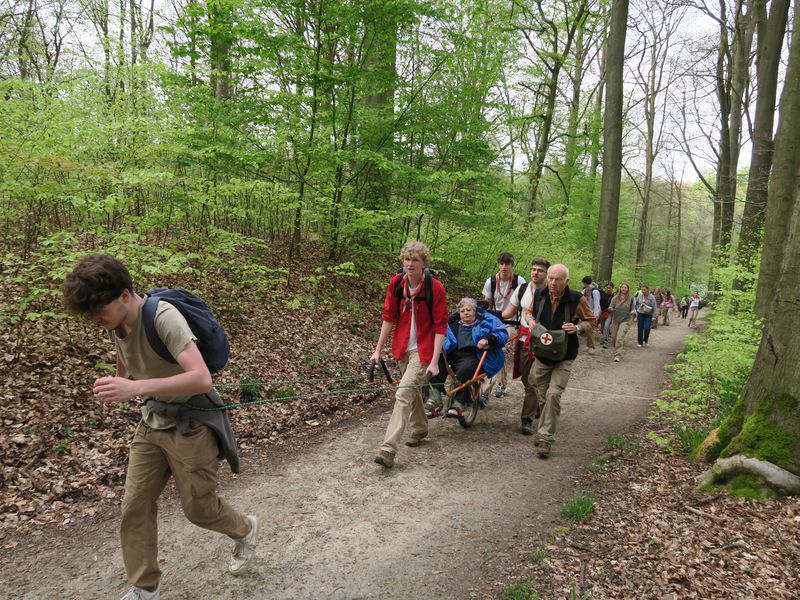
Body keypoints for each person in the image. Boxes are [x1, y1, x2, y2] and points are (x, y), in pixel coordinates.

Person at [62, 255, 257, 600]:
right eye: (89, 314)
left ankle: (245, 528)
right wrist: (119, 381)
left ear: (124, 296)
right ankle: (144, 585)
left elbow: (201, 378)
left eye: (98, 311)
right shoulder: (113, 320)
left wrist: (135, 388)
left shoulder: (165, 317)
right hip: (152, 421)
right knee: (134, 505)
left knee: (199, 510)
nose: (94, 319)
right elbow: (124, 346)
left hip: (192, 425)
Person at [371, 241, 448, 469]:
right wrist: (377, 350)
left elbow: (441, 327)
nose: (410, 263)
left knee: (403, 393)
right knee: (412, 392)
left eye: (415, 259)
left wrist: (434, 360)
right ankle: (421, 428)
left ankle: (388, 449)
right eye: (407, 259)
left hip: (423, 351)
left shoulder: (435, 289)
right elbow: (388, 317)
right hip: (402, 347)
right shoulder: (397, 284)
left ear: (424, 263)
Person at [525, 264, 594, 458]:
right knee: (542, 395)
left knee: (554, 394)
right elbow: (528, 312)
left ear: (567, 281)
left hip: (564, 356)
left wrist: (578, 328)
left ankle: (546, 438)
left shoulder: (576, 299)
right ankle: (543, 427)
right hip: (542, 355)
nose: (553, 283)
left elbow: (591, 321)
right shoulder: (539, 294)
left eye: (558, 280)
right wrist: (530, 321)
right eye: (551, 278)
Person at [502, 257, 550, 435]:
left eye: (540, 270)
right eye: (533, 269)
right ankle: (536, 404)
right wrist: (487, 316)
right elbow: (509, 312)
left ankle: (526, 420)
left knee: (532, 381)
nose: (535, 272)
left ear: (547, 274)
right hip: (523, 340)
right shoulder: (522, 289)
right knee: (524, 378)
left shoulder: (551, 292)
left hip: (543, 341)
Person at [442, 298, 508, 417]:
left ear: (475, 311)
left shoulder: (486, 320)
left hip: (474, 354)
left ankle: (460, 403)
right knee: (437, 363)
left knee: (465, 370)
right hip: (454, 353)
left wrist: (488, 339)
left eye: (469, 310)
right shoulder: (453, 322)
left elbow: (502, 334)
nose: (466, 313)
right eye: (462, 311)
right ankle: (432, 397)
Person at [480, 252, 525, 403]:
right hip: (495, 322)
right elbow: (487, 303)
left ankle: (488, 390)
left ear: (513, 265)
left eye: (508, 264)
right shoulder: (491, 281)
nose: (504, 267)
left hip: (512, 323)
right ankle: (499, 383)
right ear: (498, 264)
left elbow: (525, 306)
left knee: (499, 348)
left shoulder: (519, 281)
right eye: (502, 263)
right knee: (489, 350)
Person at [608, 282, 635, 362]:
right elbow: (610, 306)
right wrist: (610, 309)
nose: (623, 289)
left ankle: (617, 355)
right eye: (622, 287)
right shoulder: (615, 298)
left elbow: (634, 308)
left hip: (626, 320)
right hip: (615, 320)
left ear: (628, 289)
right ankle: (617, 351)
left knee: (619, 338)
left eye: (625, 287)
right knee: (614, 338)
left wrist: (633, 312)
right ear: (620, 288)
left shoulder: (631, 299)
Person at [580, 276, 601, 354]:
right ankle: (588, 345)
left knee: (590, 330)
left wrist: (596, 315)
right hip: (585, 313)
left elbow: (597, 304)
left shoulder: (595, 292)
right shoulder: (585, 291)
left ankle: (591, 347)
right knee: (587, 329)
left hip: (592, 314)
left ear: (585, 282)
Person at [599, 282, 614, 348]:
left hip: (610, 313)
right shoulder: (601, 294)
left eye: (610, 288)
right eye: (607, 288)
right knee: (602, 328)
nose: (608, 289)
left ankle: (605, 341)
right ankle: (604, 336)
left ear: (612, 288)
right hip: (602, 313)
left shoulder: (614, 296)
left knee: (606, 326)